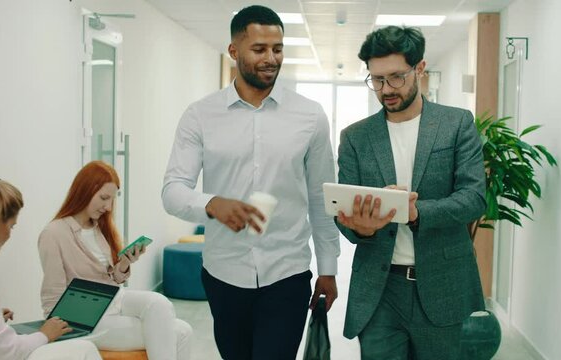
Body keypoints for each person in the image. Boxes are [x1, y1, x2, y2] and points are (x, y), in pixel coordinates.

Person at [162, 5, 340, 360]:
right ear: (234, 51)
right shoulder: (200, 115)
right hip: (224, 272)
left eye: (277, 49)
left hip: (287, 273)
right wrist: (212, 203)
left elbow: (322, 199)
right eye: (259, 49)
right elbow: (173, 191)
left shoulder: (309, 115)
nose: (271, 58)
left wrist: (329, 270)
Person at [335, 26, 486, 359]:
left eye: (396, 77)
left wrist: (418, 212)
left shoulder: (456, 124)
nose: (385, 89)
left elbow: (474, 197)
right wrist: (360, 226)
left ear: (420, 68)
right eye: (376, 79)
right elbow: (345, 217)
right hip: (379, 288)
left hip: (441, 284)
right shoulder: (356, 138)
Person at [38, 161, 192, 360]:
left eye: (112, 200)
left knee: (160, 304)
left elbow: (112, 278)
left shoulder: (99, 228)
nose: (108, 206)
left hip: (115, 301)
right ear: (84, 191)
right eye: (104, 198)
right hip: (84, 319)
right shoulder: (54, 233)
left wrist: (124, 264)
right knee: (181, 331)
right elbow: (52, 299)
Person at [0, 178, 102, 360]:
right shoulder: (52, 233)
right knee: (85, 349)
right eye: (11, 226)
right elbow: (6, 351)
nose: (107, 206)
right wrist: (44, 334)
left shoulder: (102, 231)